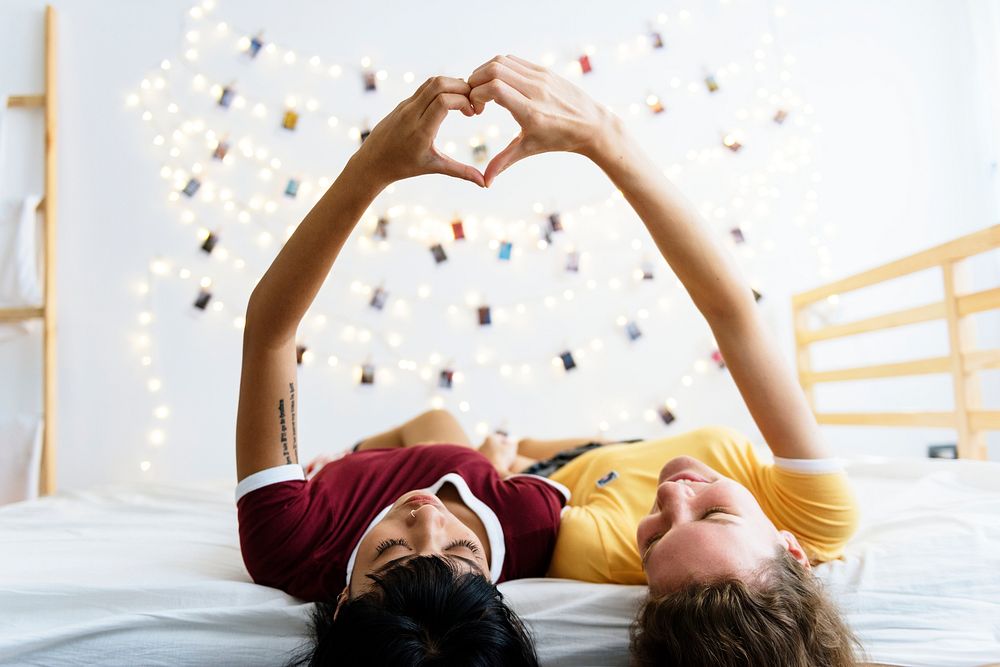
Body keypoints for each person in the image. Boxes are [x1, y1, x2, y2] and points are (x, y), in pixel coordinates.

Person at [461, 55, 864, 665]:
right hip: (611, 448)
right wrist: (605, 136)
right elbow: (735, 316)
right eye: (716, 514)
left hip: (563, 468)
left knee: (463, 438)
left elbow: (502, 490)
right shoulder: (818, 515)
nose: (672, 496)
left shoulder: (595, 553)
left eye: (655, 543)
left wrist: (499, 459)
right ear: (792, 549)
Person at [233, 74, 570, 666]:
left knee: (437, 424)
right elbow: (598, 466)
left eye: (391, 553)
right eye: (462, 555)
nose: (428, 521)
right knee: (462, 432)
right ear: (497, 588)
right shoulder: (530, 526)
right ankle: (492, 453)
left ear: (341, 602)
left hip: (366, 462)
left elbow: (270, 333)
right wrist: (509, 457)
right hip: (462, 459)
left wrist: (370, 168)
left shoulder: (290, 543)